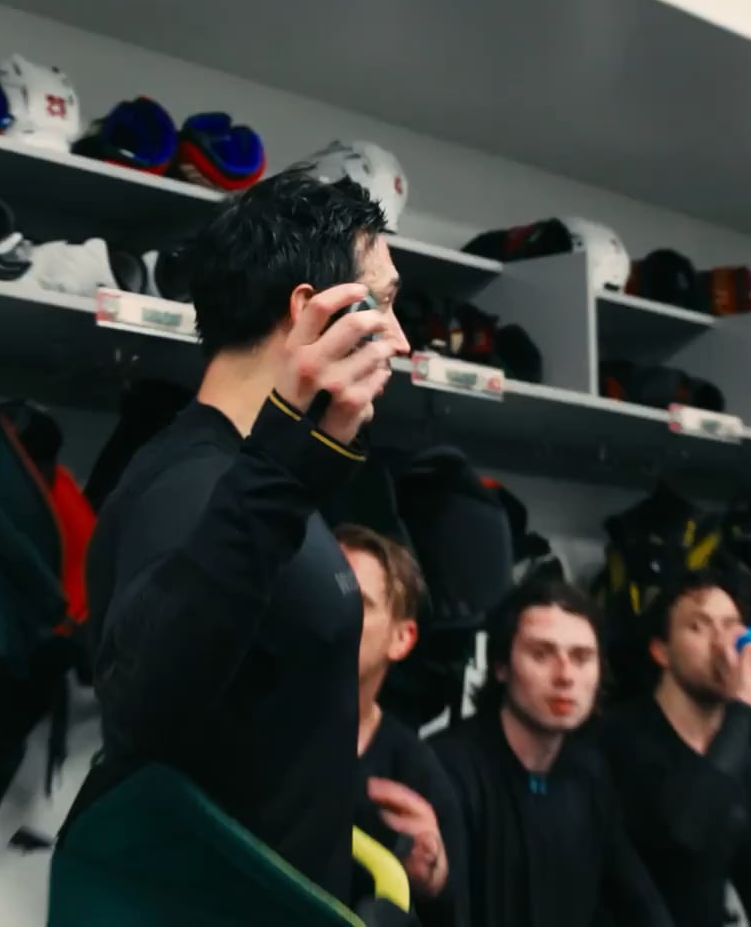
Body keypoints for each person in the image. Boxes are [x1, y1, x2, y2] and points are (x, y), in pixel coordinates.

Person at [63, 168, 409, 905]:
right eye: (382, 303)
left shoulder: (260, 478)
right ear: (311, 312)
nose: (400, 339)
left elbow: (270, 731)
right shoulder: (187, 488)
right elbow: (143, 708)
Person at [430, 576, 672, 927]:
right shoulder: (448, 769)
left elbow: (639, 902)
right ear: (501, 666)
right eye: (541, 654)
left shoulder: (588, 774)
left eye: (581, 657)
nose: (565, 676)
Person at [599, 566, 751, 927]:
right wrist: (741, 711)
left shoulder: (743, 763)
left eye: (731, 626)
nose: (722, 643)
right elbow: (686, 833)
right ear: (661, 651)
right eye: (699, 626)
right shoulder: (617, 740)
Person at [337, 523, 469, 927]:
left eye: (359, 602)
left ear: (401, 638)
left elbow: (454, 918)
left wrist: (433, 882)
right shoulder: (239, 721)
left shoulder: (417, 775)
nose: (334, 611)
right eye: (323, 592)